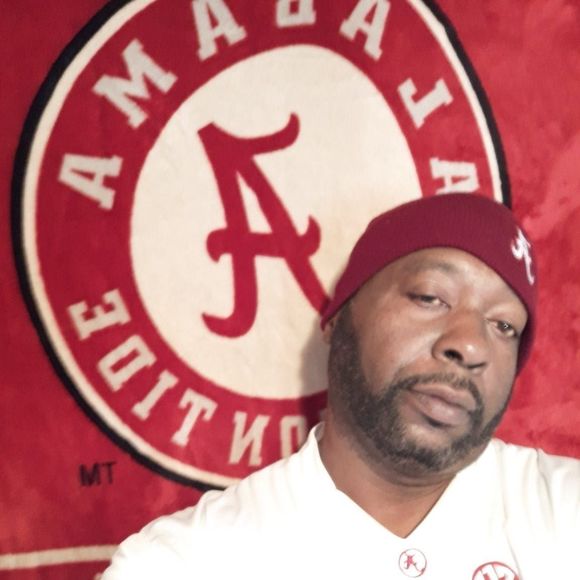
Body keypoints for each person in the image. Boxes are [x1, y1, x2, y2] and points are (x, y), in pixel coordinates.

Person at [103, 193, 580, 580]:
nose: (471, 345)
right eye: (430, 297)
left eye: (504, 326)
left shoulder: (565, 510)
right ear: (339, 317)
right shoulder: (180, 564)